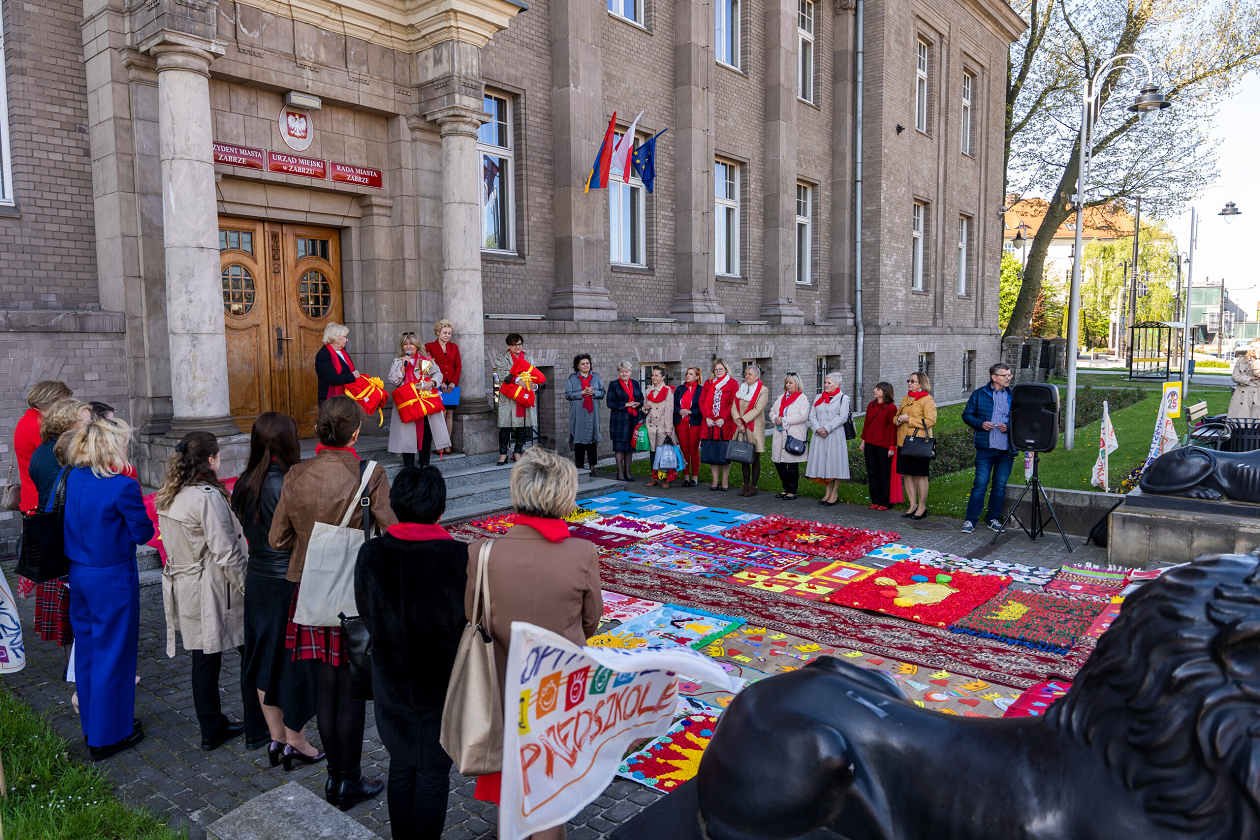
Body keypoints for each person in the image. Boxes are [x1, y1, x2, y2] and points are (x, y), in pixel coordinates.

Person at [465, 447, 602, 840]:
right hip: (558, 690)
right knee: (548, 793)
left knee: (512, 786)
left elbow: (474, 618)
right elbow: (591, 621)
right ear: (565, 495)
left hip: (503, 684)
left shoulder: (482, 551)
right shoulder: (582, 552)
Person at [270, 396, 398, 809]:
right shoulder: (370, 473)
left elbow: (277, 539)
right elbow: (392, 529)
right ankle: (351, 779)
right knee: (352, 689)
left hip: (311, 590)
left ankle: (333, 781)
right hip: (355, 594)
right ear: (356, 432)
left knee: (327, 686)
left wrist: (309, 540)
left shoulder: (296, 472)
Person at [355, 466, 468, 840]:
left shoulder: (372, 553)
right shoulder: (457, 556)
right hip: (441, 681)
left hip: (392, 676)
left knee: (402, 766)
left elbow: (366, 611)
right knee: (433, 771)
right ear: (440, 508)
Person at [156, 432, 267, 752]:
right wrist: (249, 588)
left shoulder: (168, 493)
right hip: (215, 587)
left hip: (186, 583)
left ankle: (212, 727)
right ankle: (256, 728)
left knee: (204, 660)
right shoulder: (206, 496)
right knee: (250, 653)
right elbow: (227, 552)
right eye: (217, 454)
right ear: (210, 459)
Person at [231, 412, 321, 772]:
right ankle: (296, 741)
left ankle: (276, 738)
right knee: (292, 663)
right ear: (288, 441)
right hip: (287, 581)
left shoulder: (242, 482)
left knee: (264, 659)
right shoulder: (289, 483)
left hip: (258, 581)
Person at [62, 417, 154, 759]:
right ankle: (106, 737)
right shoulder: (120, 486)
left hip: (80, 573)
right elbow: (143, 533)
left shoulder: (69, 477)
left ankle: (94, 726)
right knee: (113, 655)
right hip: (112, 576)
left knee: (87, 651)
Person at [28, 399, 92, 656]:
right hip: (64, 538)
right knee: (74, 613)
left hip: (56, 534)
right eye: (87, 422)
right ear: (69, 424)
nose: (91, 427)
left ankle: (75, 666)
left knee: (69, 613)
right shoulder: (63, 453)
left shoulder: (43, 449)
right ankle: (78, 670)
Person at [961, 364, 1017, 533]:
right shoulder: (979, 394)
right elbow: (967, 415)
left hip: (1006, 450)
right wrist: (981, 423)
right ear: (994, 377)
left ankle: (993, 518)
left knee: (1000, 486)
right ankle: (970, 520)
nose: (1008, 378)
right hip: (985, 448)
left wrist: (1008, 426)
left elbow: (1021, 418)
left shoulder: (1013, 396)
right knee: (980, 484)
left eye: (1009, 375)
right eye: (1004, 375)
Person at [388, 331, 451, 468]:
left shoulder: (426, 360)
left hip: (424, 401)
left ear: (417, 346)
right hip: (407, 402)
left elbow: (438, 374)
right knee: (406, 433)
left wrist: (432, 383)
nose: (408, 347)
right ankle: (409, 464)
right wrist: (402, 369)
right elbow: (393, 381)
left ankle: (424, 463)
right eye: (405, 344)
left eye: (411, 344)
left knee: (425, 432)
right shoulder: (398, 361)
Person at [13, 380, 73, 514]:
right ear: (52, 402)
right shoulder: (37, 426)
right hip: (40, 499)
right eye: (65, 404)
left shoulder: (29, 420)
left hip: (35, 495)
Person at [895, 371, 937, 520]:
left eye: (913, 381)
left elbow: (931, 421)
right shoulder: (906, 398)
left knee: (920, 476)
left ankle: (922, 507)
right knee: (907, 475)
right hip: (904, 443)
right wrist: (899, 419)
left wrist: (910, 420)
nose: (909, 383)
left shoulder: (927, 400)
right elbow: (896, 417)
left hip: (919, 444)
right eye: (909, 380)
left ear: (921, 384)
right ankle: (912, 505)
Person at [805, 373, 852, 505]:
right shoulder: (818, 397)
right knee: (824, 463)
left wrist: (826, 428)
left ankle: (834, 493)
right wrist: (818, 428)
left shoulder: (843, 398)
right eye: (825, 382)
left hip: (834, 435)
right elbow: (812, 415)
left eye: (829, 383)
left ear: (836, 385)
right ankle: (827, 491)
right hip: (820, 436)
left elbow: (842, 417)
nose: (825, 385)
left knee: (835, 463)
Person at [494, 333, 537, 464]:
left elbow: (533, 375)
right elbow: (502, 375)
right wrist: (518, 380)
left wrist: (534, 384)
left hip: (522, 397)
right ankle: (503, 454)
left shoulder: (528, 358)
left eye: (519, 344)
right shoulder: (502, 358)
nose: (517, 347)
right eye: (514, 344)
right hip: (507, 397)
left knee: (522, 426)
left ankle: (518, 452)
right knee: (505, 427)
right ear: (508, 345)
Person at [700, 359, 740, 491]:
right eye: (716, 369)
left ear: (726, 370)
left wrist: (723, 417)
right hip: (710, 423)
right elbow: (702, 402)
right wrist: (707, 417)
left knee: (724, 453)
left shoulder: (733, 383)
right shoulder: (708, 383)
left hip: (725, 423)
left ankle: (724, 481)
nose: (718, 372)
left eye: (720, 369)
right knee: (713, 453)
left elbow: (734, 403)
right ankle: (714, 480)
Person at [565, 354, 606, 478]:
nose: (585, 365)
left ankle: (592, 468)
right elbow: (568, 395)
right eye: (582, 364)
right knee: (579, 441)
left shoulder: (596, 377)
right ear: (578, 366)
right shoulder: (572, 378)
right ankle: (580, 468)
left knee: (592, 441)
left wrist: (595, 392)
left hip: (592, 414)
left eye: (587, 363)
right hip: (578, 414)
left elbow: (603, 392)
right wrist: (581, 392)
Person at [859, 382, 899, 511]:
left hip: (884, 445)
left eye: (878, 389)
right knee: (873, 472)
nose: (875, 391)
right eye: (876, 388)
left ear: (885, 392)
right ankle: (875, 499)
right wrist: (863, 441)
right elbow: (866, 424)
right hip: (870, 443)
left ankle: (886, 501)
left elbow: (894, 429)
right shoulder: (871, 405)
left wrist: (892, 447)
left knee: (884, 473)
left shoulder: (891, 408)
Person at [770, 374, 809, 501]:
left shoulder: (802, 399)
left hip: (794, 434)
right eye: (787, 382)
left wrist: (785, 419)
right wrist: (775, 418)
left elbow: (802, 416)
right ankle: (786, 488)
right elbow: (772, 411)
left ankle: (792, 490)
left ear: (797, 384)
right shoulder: (781, 398)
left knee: (792, 464)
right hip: (780, 434)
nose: (788, 385)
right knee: (779, 463)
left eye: (790, 383)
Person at [425, 319, 462, 453]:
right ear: (438, 332)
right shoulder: (429, 346)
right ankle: (438, 445)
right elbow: (428, 366)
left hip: (451, 385)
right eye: (445, 333)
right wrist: (439, 382)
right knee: (441, 414)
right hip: (437, 384)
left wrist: (453, 382)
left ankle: (447, 444)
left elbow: (457, 366)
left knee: (449, 414)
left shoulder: (454, 347)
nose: (447, 335)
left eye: (449, 333)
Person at [733, 364, 769, 497]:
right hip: (741, 427)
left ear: (757, 376)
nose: (747, 376)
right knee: (744, 457)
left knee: (754, 457)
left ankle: (754, 486)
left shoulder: (763, 390)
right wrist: (738, 420)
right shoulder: (741, 388)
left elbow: (758, 409)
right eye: (746, 373)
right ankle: (746, 484)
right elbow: (734, 406)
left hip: (754, 427)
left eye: (750, 374)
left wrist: (742, 421)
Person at [606, 361, 645, 482]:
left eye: (626, 371)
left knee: (630, 448)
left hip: (632, 420)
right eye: (622, 371)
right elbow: (610, 403)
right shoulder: (614, 384)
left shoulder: (635, 383)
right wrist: (626, 404)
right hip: (619, 420)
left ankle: (628, 473)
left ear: (630, 372)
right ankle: (620, 473)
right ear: (619, 372)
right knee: (619, 448)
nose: (624, 374)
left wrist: (638, 404)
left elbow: (641, 399)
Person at [643, 366, 675, 488]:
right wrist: (644, 409)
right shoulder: (648, 390)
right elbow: (645, 407)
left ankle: (665, 478)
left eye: (657, 375)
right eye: (653, 375)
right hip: (651, 425)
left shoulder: (667, 391)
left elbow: (669, 411)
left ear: (662, 377)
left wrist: (668, 429)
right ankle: (654, 477)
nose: (654, 377)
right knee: (653, 452)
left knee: (664, 453)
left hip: (662, 425)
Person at [673, 367, 704, 487]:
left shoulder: (701, 390)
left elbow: (703, 407)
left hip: (694, 423)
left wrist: (691, 412)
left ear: (697, 377)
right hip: (681, 423)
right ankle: (686, 477)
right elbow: (673, 405)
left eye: (691, 374)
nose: (688, 376)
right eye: (687, 374)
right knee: (684, 450)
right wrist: (679, 410)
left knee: (694, 451)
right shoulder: (680, 389)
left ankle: (694, 478)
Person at [315, 323, 359, 403]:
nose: (347, 340)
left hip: (346, 397)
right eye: (345, 337)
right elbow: (333, 379)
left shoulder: (343, 353)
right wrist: (352, 375)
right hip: (331, 401)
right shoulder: (323, 354)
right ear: (335, 338)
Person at [1229, 339, 1260, 419]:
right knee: (1240, 420)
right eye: (1252, 346)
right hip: (1242, 396)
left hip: (1257, 394)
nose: (1253, 349)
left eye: (1257, 347)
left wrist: (1257, 358)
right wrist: (1250, 379)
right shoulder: (1241, 360)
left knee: (1255, 419)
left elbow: (1258, 373)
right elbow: (1235, 377)